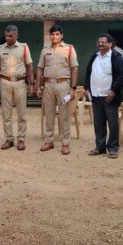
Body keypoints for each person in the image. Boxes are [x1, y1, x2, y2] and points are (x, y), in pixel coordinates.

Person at [36, 24, 79, 155]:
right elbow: (40, 68)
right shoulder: (45, 50)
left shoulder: (69, 48)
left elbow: (74, 68)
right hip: (48, 85)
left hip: (63, 85)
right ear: (49, 36)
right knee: (49, 114)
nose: (54, 36)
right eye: (52, 34)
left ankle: (65, 143)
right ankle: (49, 141)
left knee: (64, 115)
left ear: (62, 35)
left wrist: (73, 88)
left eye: (57, 34)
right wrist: (38, 86)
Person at [84, 34, 123, 159]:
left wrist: (113, 90)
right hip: (96, 95)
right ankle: (100, 147)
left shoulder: (116, 57)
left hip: (109, 97)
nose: (100, 44)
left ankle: (113, 148)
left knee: (113, 124)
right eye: (99, 42)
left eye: (103, 42)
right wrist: (87, 88)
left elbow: (122, 75)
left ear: (110, 44)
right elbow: (88, 72)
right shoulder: (94, 56)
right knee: (98, 124)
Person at [0, 25, 35, 151]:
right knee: (6, 114)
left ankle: (21, 139)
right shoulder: (0, 49)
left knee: (21, 114)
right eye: (6, 36)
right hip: (4, 82)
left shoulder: (24, 47)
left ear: (17, 35)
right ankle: (9, 139)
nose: (7, 38)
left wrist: (32, 84)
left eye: (10, 36)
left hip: (20, 83)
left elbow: (29, 67)